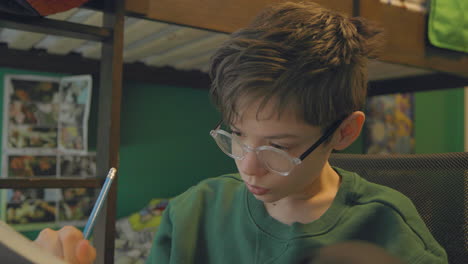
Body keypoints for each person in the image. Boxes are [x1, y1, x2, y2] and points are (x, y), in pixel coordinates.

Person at [34, 2, 448, 264]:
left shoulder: (388, 227)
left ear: (343, 132)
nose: (248, 167)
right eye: (236, 136)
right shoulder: (193, 212)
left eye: (277, 148)